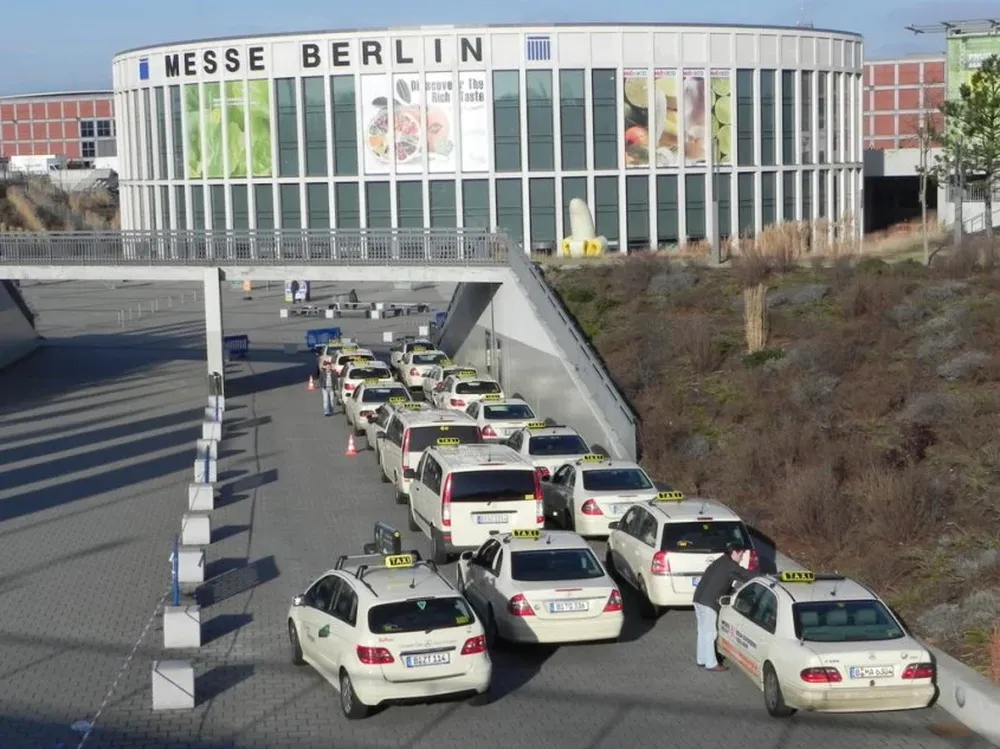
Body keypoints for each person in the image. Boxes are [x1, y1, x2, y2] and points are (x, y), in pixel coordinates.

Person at [692, 542, 759, 672]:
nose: (742, 557)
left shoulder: (722, 562)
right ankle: (711, 664)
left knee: (703, 631)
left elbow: (735, 577)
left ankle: (702, 659)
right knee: (711, 633)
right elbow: (747, 575)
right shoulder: (730, 565)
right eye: (741, 554)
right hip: (708, 602)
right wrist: (767, 576)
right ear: (734, 552)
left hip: (699, 599)